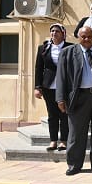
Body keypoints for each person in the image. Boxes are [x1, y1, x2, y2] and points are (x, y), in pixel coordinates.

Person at [56, 26, 92, 176]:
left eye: (90, 37)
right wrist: (60, 98)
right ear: (78, 37)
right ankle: (74, 164)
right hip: (78, 98)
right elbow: (61, 77)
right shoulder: (67, 53)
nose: (87, 39)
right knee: (76, 134)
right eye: (83, 36)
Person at [34, 23, 73, 151]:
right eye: (52, 31)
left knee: (64, 114)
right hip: (48, 86)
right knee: (52, 114)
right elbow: (39, 68)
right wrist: (37, 87)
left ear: (63, 34)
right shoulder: (43, 48)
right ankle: (53, 140)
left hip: (65, 86)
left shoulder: (70, 47)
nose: (54, 33)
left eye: (57, 31)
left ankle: (64, 141)